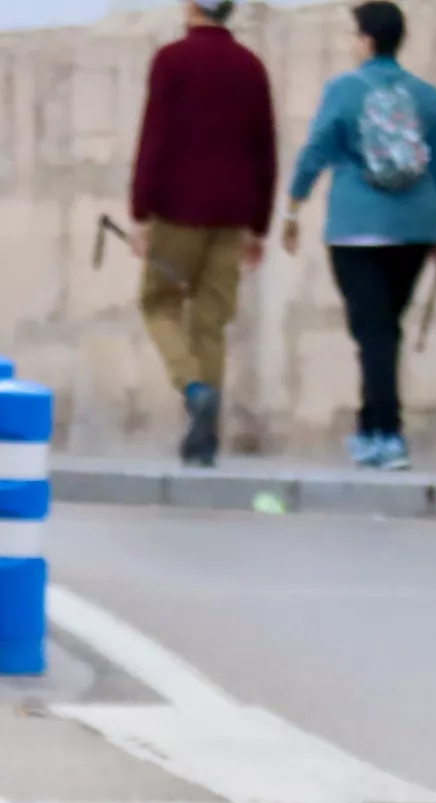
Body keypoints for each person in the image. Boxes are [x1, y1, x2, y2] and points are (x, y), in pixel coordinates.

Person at [283, 1, 436, 471]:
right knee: (383, 331)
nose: (349, 41)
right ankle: (369, 429)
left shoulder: (343, 90)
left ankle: (389, 435)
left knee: (373, 332)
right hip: (415, 229)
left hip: (356, 227)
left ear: (366, 39)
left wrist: (293, 205)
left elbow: (316, 148)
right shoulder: (427, 95)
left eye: (351, 33)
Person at [127, 0, 279, 468]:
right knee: (211, 322)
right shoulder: (251, 66)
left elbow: (156, 138)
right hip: (232, 216)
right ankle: (204, 439)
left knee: (159, 303)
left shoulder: (171, 60)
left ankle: (194, 390)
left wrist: (140, 211)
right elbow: (264, 148)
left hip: (177, 210)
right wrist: (259, 225)